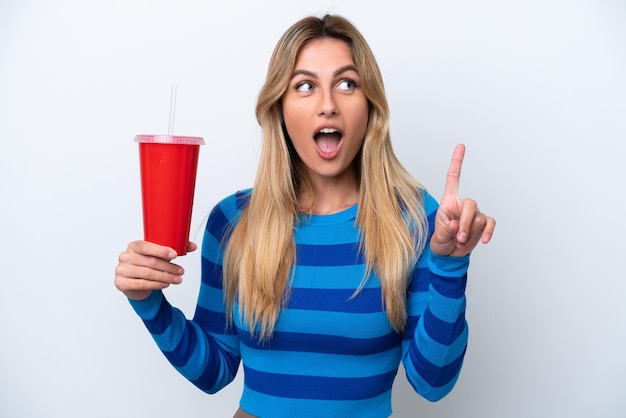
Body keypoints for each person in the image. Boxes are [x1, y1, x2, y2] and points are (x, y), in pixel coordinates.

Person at [115, 14, 495, 418]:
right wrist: (148, 301)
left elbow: (432, 383)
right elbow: (214, 372)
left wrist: (451, 265)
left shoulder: (418, 221)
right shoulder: (232, 221)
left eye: (347, 84)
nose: (328, 105)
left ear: (370, 107)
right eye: (305, 86)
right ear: (280, 108)